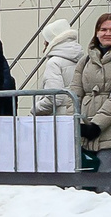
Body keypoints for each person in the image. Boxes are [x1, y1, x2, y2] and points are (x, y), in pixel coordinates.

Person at [73, 12, 111, 163]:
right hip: (85, 134)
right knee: (83, 183)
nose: (107, 33)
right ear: (96, 32)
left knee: (105, 182)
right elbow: (74, 92)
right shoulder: (85, 60)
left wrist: (97, 125)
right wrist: (74, 122)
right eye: (103, 29)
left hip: (107, 134)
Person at [30, 20, 85, 111]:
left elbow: (55, 98)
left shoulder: (54, 63)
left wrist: (35, 109)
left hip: (57, 118)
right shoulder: (81, 59)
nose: (44, 43)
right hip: (74, 114)